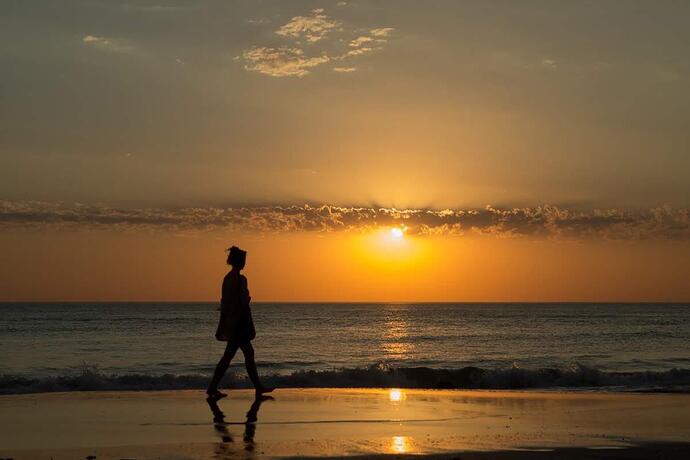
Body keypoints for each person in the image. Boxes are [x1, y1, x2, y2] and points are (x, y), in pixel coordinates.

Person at [207, 246, 274, 400]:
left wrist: (222, 324)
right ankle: (257, 387)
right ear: (239, 261)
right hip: (239, 324)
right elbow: (236, 302)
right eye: (244, 260)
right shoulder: (239, 280)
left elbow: (225, 303)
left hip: (235, 323)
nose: (245, 263)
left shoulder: (228, 279)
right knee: (244, 354)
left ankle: (213, 387)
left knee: (232, 356)